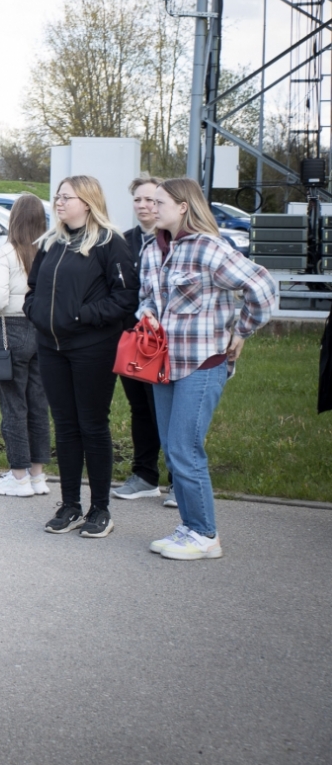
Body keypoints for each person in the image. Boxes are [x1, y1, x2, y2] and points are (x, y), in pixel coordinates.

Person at [140, 177, 276, 561]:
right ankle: (189, 526)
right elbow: (144, 297)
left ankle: (205, 534)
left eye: (159, 201)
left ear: (183, 206)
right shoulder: (152, 249)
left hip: (202, 364)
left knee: (185, 448)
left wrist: (242, 330)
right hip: (162, 363)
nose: (150, 206)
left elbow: (262, 288)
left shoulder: (208, 248)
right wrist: (146, 314)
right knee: (172, 449)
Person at [24, 175, 138, 538]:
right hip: (51, 347)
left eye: (66, 197)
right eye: (56, 196)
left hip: (92, 348)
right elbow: (32, 288)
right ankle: (70, 504)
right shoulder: (51, 242)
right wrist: (37, 314)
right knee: (66, 426)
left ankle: (100, 508)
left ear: (87, 202)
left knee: (92, 425)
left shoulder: (110, 243)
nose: (58, 202)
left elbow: (125, 299)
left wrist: (80, 317)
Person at [0, 192, 51, 497]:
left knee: (13, 404)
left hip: (12, 327)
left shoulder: (7, 252)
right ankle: (38, 474)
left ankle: (18, 475)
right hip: (44, 331)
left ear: (14, 218)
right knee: (38, 403)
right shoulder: (49, 249)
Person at [113, 174, 168, 503]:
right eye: (138, 200)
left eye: (151, 200)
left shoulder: (173, 240)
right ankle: (145, 475)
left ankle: (179, 481)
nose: (144, 205)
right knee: (140, 409)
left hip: (165, 341)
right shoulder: (124, 241)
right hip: (133, 340)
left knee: (165, 408)